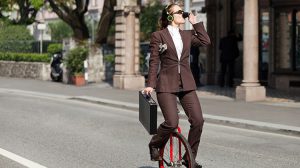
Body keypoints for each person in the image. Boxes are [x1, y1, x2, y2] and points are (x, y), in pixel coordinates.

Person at [142, 3, 210, 168]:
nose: (183, 14)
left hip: (186, 83)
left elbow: (205, 41)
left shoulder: (187, 35)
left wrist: (196, 23)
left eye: (183, 11)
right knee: (172, 123)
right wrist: (150, 84)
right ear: (170, 16)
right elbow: (154, 61)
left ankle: (189, 158)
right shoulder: (158, 36)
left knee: (198, 121)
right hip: (166, 84)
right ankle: (154, 144)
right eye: (180, 12)